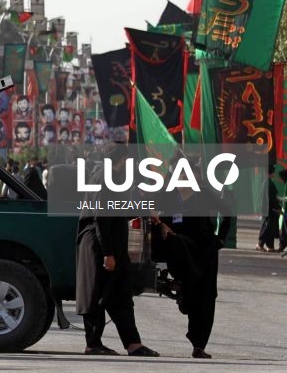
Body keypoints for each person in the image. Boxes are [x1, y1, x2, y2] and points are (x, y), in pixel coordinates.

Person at [75, 143, 159, 357]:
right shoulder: (105, 179)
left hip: (109, 245)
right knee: (97, 296)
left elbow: (115, 210)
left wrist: (144, 211)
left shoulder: (110, 177)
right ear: (121, 160)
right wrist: (108, 254)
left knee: (120, 295)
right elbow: (101, 218)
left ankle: (133, 344)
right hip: (100, 247)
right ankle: (93, 344)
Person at [153, 161, 232, 359]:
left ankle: (199, 345)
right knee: (190, 294)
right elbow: (149, 210)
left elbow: (228, 211)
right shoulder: (167, 195)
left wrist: (220, 239)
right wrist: (161, 224)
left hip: (204, 252)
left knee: (206, 297)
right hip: (180, 253)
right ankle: (183, 295)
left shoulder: (204, 194)